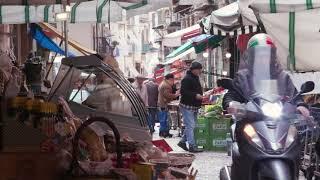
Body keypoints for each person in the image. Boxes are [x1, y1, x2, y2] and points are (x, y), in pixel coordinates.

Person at [222, 33, 310, 117]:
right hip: (250, 120)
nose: (263, 59)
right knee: (235, 129)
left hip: (280, 120)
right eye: (259, 55)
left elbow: (294, 96)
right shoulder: (244, 77)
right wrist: (231, 103)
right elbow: (232, 94)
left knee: (297, 131)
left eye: (266, 55)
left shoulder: (282, 77)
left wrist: (300, 105)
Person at [178, 61, 205, 153]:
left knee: (191, 126)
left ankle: (182, 142)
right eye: (199, 69)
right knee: (191, 126)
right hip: (187, 106)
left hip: (194, 106)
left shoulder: (195, 77)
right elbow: (183, 92)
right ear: (194, 69)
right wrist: (195, 95)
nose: (200, 71)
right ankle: (192, 146)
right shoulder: (187, 78)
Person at [158, 73, 179, 138]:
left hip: (161, 103)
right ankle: (164, 133)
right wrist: (176, 94)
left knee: (163, 119)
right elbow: (167, 95)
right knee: (164, 119)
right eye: (173, 80)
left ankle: (162, 132)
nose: (173, 81)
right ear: (170, 79)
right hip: (164, 104)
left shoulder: (163, 83)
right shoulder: (166, 85)